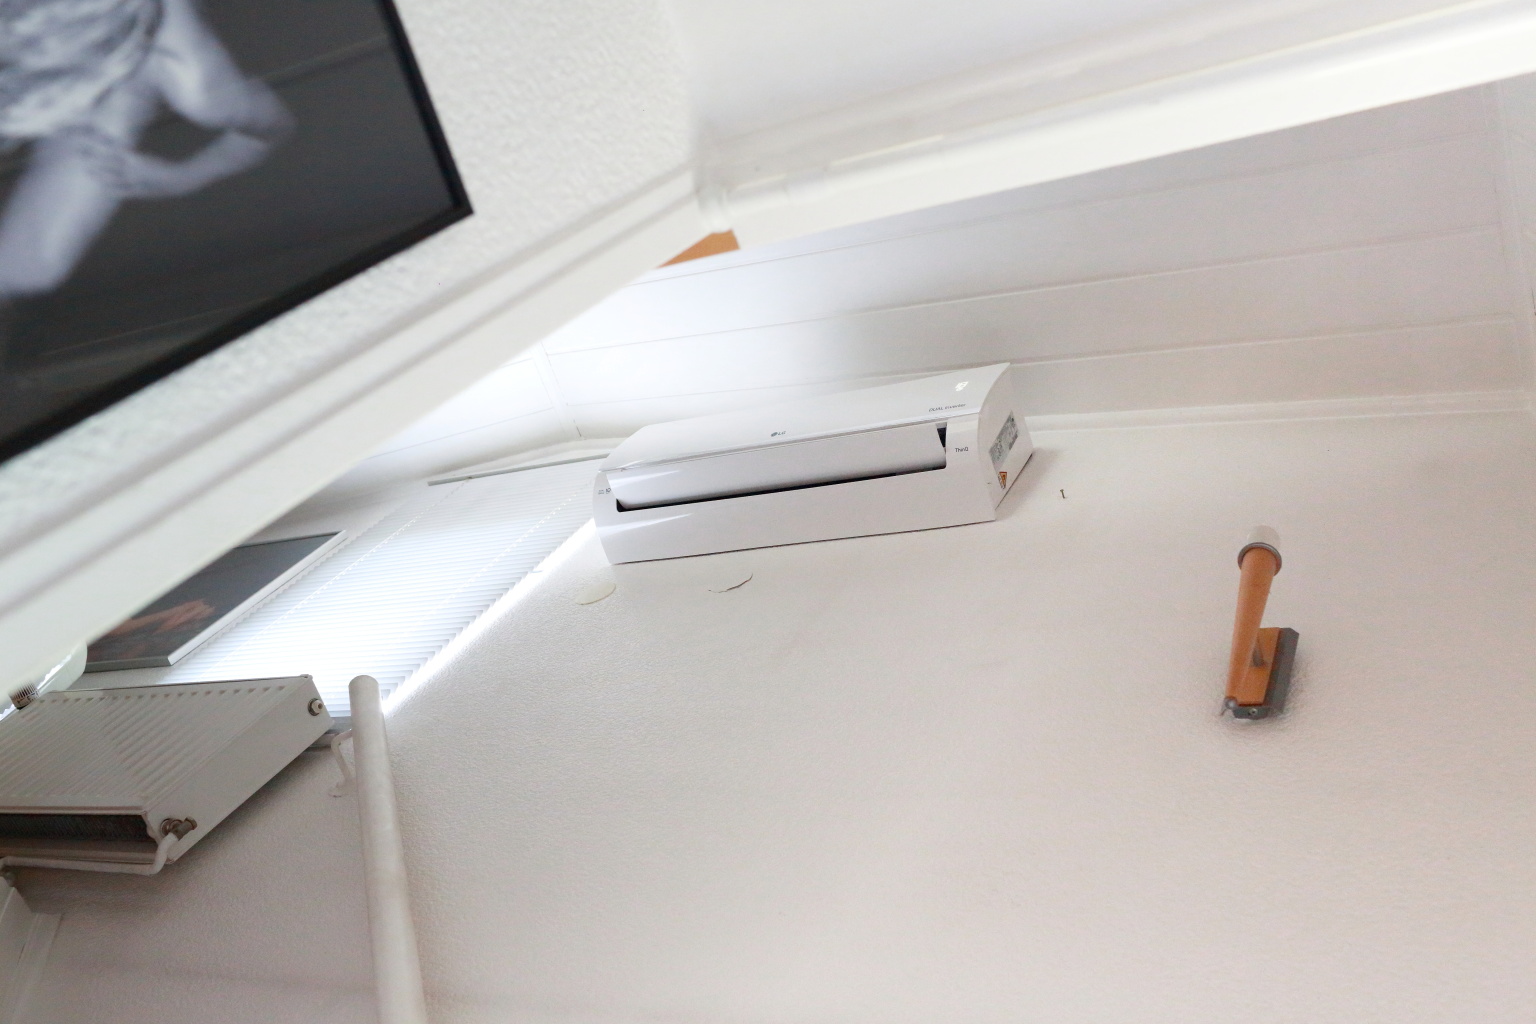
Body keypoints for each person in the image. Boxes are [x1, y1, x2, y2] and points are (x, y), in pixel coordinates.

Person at [0, 0, 292, 298]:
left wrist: (177, 177)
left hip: (120, 72)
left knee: (31, 263)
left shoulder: (196, 82)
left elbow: (269, 127)